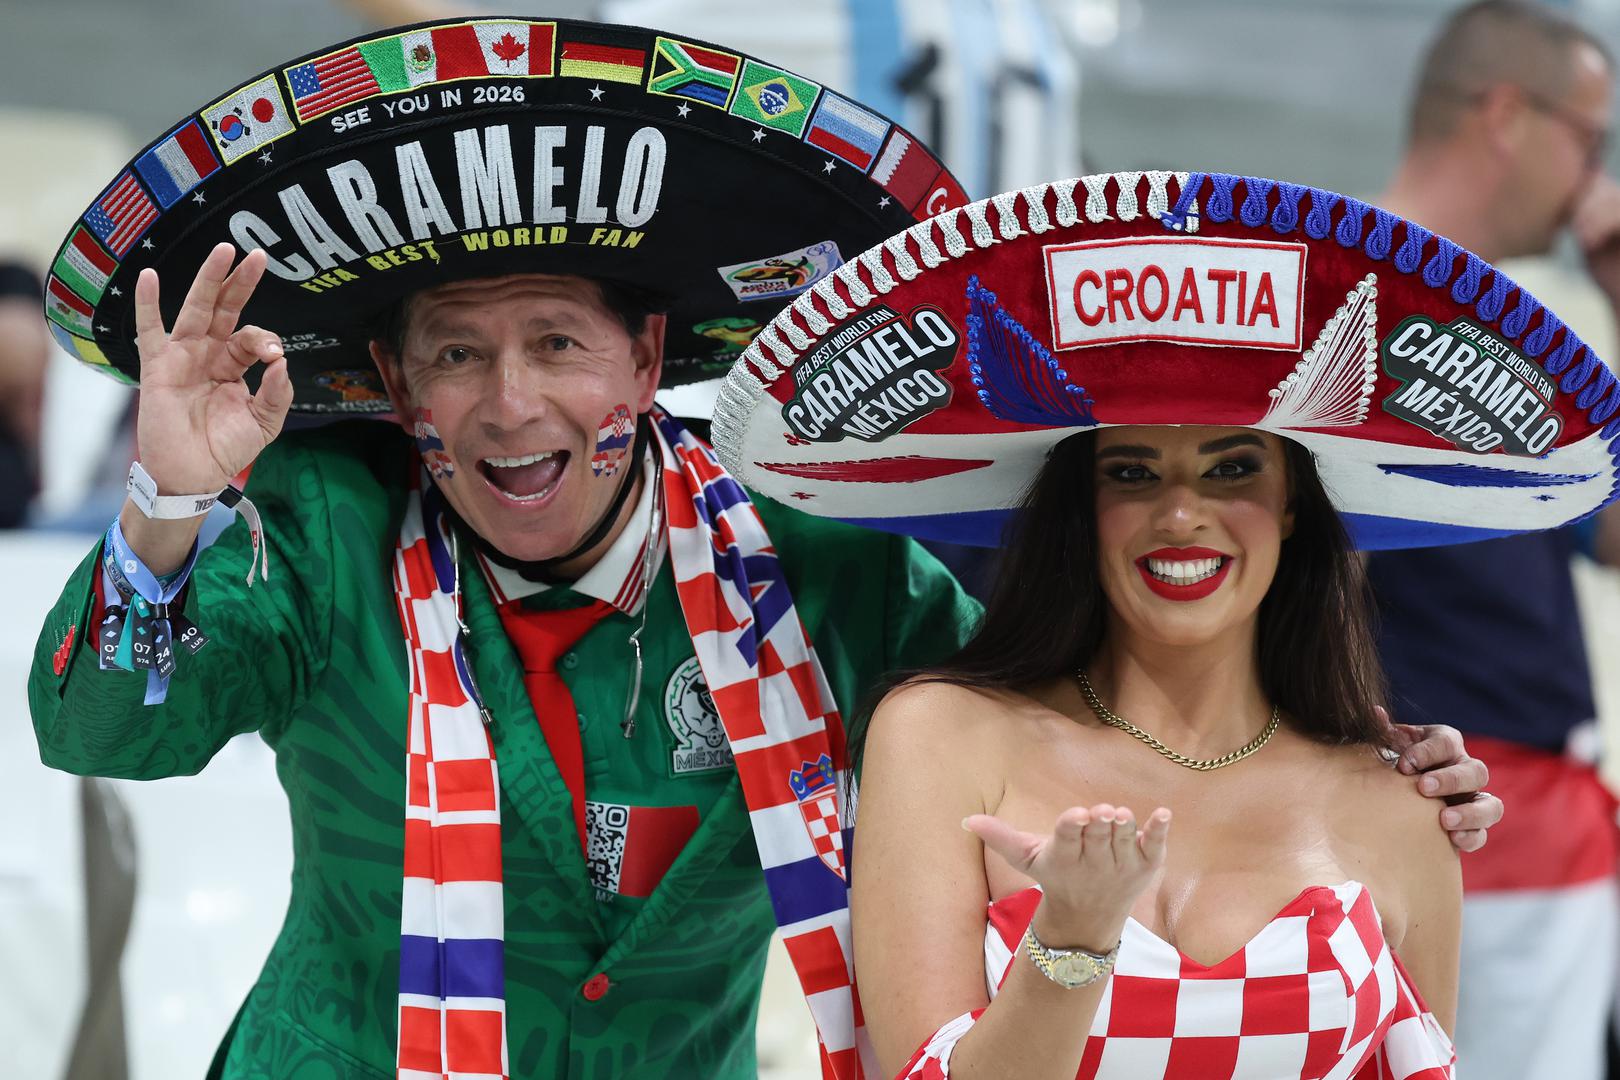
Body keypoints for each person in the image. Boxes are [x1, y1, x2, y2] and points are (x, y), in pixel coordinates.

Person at [28, 17, 986, 1078]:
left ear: (646, 361)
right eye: (456, 354)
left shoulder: (826, 574)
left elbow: (1037, 745)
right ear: (399, 389)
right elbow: (102, 733)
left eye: (557, 343)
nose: (510, 403)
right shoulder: (327, 529)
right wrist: (167, 495)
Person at [711, 168, 1612, 1077]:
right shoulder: (940, 737)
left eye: (1233, 469)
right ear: (1081, 509)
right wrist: (1072, 937)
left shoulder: (1400, 802)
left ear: (1292, 506)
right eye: (1133, 474)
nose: (1182, 514)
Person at [1369, 4, 1620, 1076]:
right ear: (1508, 115)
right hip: (1460, 823)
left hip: (1520, 829)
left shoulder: (1501, 333)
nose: (1596, 177)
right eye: (1591, 139)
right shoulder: (1347, 303)